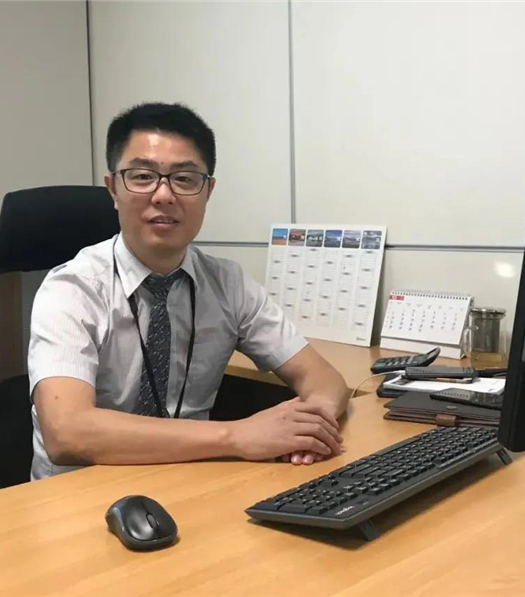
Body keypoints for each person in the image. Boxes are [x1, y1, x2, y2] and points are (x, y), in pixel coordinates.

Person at [28, 103, 349, 480]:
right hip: (78, 496)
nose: (164, 195)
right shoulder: (72, 289)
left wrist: (312, 425)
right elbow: (66, 431)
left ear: (208, 191)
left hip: (189, 485)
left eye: (184, 178)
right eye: (143, 176)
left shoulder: (228, 284)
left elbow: (325, 379)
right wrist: (237, 436)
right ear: (113, 189)